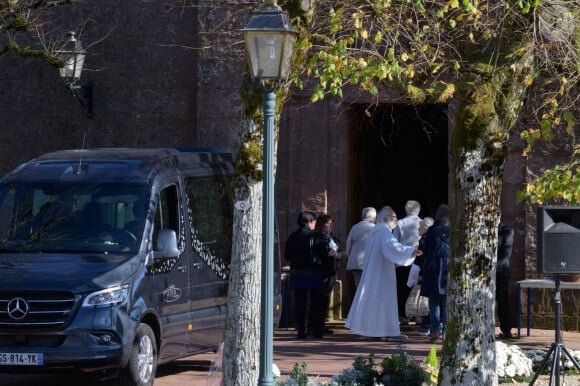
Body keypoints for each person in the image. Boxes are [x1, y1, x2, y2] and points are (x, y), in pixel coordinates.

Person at [345, 206, 422, 340]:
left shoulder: (374, 232)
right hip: (381, 274)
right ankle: (390, 332)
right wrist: (411, 250)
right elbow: (393, 247)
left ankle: (372, 331)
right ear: (386, 218)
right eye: (394, 218)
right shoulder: (384, 232)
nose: (396, 221)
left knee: (374, 301)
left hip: (374, 272)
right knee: (385, 301)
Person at [284, 211, 326, 339]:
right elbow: (324, 254)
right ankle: (316, 330)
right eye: (314, 222)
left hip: (297, 272)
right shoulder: (316, 236)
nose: (314, 224)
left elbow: (287, 256)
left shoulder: (292, 237)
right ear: (309, 222)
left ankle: (301, 331)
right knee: (316, 302)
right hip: (314, 272)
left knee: (300, 302)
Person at [420, 204, 451, 342]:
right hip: (448, 268)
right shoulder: (453, 231)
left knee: (434, 302)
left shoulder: (431, 231)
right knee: (446, 302)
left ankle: (434, 331)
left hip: (433, 269)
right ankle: (445, 332)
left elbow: (424, 251)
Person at [393, 200, 422, 324]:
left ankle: (403, 315)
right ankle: (418, 316)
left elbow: (394, 242)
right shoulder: (423, 222)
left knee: (402, 288)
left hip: (403, 261)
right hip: (419, 260)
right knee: (418, 289)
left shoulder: (400, 223)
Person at [313, 213, 341, 335]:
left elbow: (338, 251)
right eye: (327, 223)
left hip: (332, 271)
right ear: (321, 224)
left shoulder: (333, 238)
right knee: (319, 300)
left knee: (325, 299)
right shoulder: (316, 237)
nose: (330, 226)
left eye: (331, 224)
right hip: (321, 272)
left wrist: (337, 255)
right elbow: (318, 254)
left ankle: (322, 325)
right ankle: (316, 326)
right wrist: (327, 254)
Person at [345, 207, 377, 287]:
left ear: (362, 217)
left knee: (358, 287)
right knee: (369, 288)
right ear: (374, 217)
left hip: (356, 262)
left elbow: (348, 245)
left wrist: (350, 257)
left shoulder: (355, 227)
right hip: (371, 262)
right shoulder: (376, 228)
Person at [496, 210, 514, 339]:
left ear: (499, 216)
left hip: (500, 271)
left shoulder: (507, 230)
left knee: (502, 300)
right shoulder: (481, 230)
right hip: (484, 272)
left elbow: (505, 254)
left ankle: (506, 330)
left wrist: (493, 266)